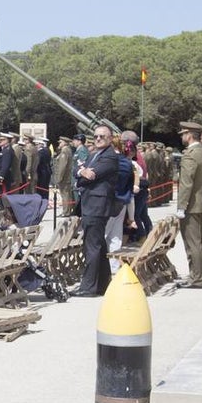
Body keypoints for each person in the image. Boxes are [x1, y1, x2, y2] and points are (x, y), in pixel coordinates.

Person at [71, 125, 119, 297]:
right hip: (90, 205)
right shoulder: (93, 155)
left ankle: (88, 287)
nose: (98, 139)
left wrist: (82, 175)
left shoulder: (110, 157)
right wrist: (81, 172)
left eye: (102, 137)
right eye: (96, 136)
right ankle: (103, 284)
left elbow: (92, 176)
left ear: (110, 138)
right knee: (98, 245)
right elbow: (77, 169)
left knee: (91, 246)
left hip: (97, 207)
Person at [174, 122, 202, 288]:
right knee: (198, 242)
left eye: (183, 134)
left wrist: (181, 207)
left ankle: (196, 278)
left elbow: (186, 183)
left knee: (192, 243)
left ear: (189, 135)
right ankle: (200, 275)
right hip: (201, 201)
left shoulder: (190, 155)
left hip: (191, 204)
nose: (182, 137)